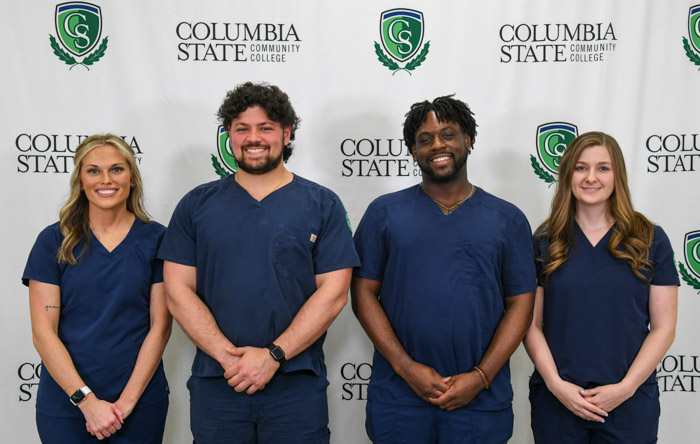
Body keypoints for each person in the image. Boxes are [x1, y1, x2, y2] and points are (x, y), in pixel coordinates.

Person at [158, 81, 359, 443]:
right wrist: (229, 358)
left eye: (265, 127)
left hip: (295, 384)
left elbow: (334, 293)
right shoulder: (195, 206)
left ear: (286, 132)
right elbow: (177, 291)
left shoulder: (322, 204)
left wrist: (273, 356)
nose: (254, 138)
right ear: (229, 136)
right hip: (218, 382)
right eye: (242, 129)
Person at [351, 95, 536, 443]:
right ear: (412, 149)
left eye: (448, 134)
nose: (437, 144)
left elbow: (522, 304)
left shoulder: (507, 219)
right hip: (400, 398)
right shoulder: (384, 214)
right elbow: (362, 294)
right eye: (425, 139)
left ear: (468, 140)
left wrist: (481, 377)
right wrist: (407, 369)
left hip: (481, 402)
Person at [523, 131, 679, 443]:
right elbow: (529, 323)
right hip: (559, 402)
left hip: (629, 403)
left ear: (617, 175)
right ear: (568, 174)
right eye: (581, 168)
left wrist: (626, 387)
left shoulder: (650, 239)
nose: (591, 177)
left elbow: (664, 328)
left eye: (603, 168)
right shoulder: (545, 241)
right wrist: (556, 384)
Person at [23, 134, 172, 443]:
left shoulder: (158, 240)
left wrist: (126, 403)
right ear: (80, 180)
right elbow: (43, 333)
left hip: (139, 403)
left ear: (132, 178)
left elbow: (160, 327)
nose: (106, 179)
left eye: (117, 169)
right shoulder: (53, 241)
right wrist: (86, 402)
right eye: (93, 170)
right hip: (67, 404)